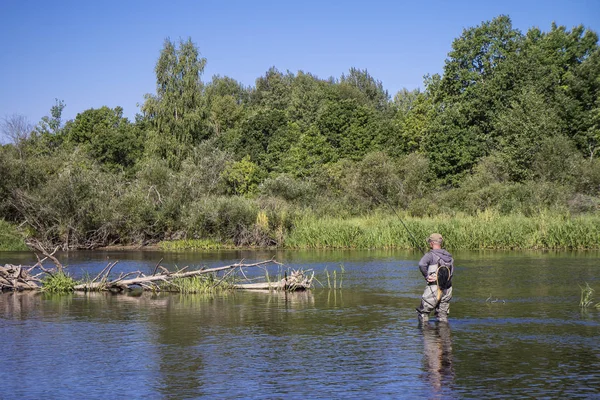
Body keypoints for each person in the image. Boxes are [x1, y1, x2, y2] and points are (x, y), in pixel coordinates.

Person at [416, 233, 454, 323]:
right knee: (442, 315)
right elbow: (451, 272)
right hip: (447, 289)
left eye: (429, 242)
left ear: (432, 243)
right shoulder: (449, 256)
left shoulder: (430, 255)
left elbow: (421, 264)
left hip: (434, 288)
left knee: (423, 313)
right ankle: (444, 335)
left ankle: (427, 335)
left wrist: (427, 276)